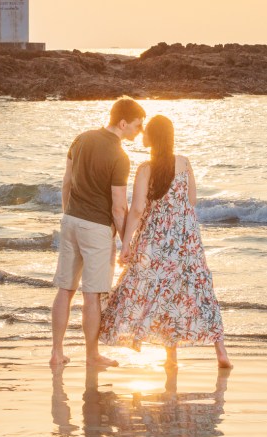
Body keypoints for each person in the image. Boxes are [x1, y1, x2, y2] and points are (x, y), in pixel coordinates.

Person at [99, 114, 232, 369]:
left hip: (156, 239)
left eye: (147, 131)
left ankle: (170, 357)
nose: (143, 134)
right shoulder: (184, 163)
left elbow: (137, 210)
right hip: (187, 240)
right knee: (198, 290)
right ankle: (221, 353)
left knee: (151, 289)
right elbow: (191, 200)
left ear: (154, 138)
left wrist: (125, 244)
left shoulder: (145, 169)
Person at [49, 97, 147, 368]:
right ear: (123, 122)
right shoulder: (119, 156)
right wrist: (125, 240)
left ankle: (57, 352)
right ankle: (92, 355)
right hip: (97, 229)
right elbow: (118, 207)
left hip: (70, 221)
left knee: (65, 290)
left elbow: (66, 182)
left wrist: (67, 214)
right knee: (92, 295)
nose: (139, 132)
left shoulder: (80, 139)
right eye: (137, 126)